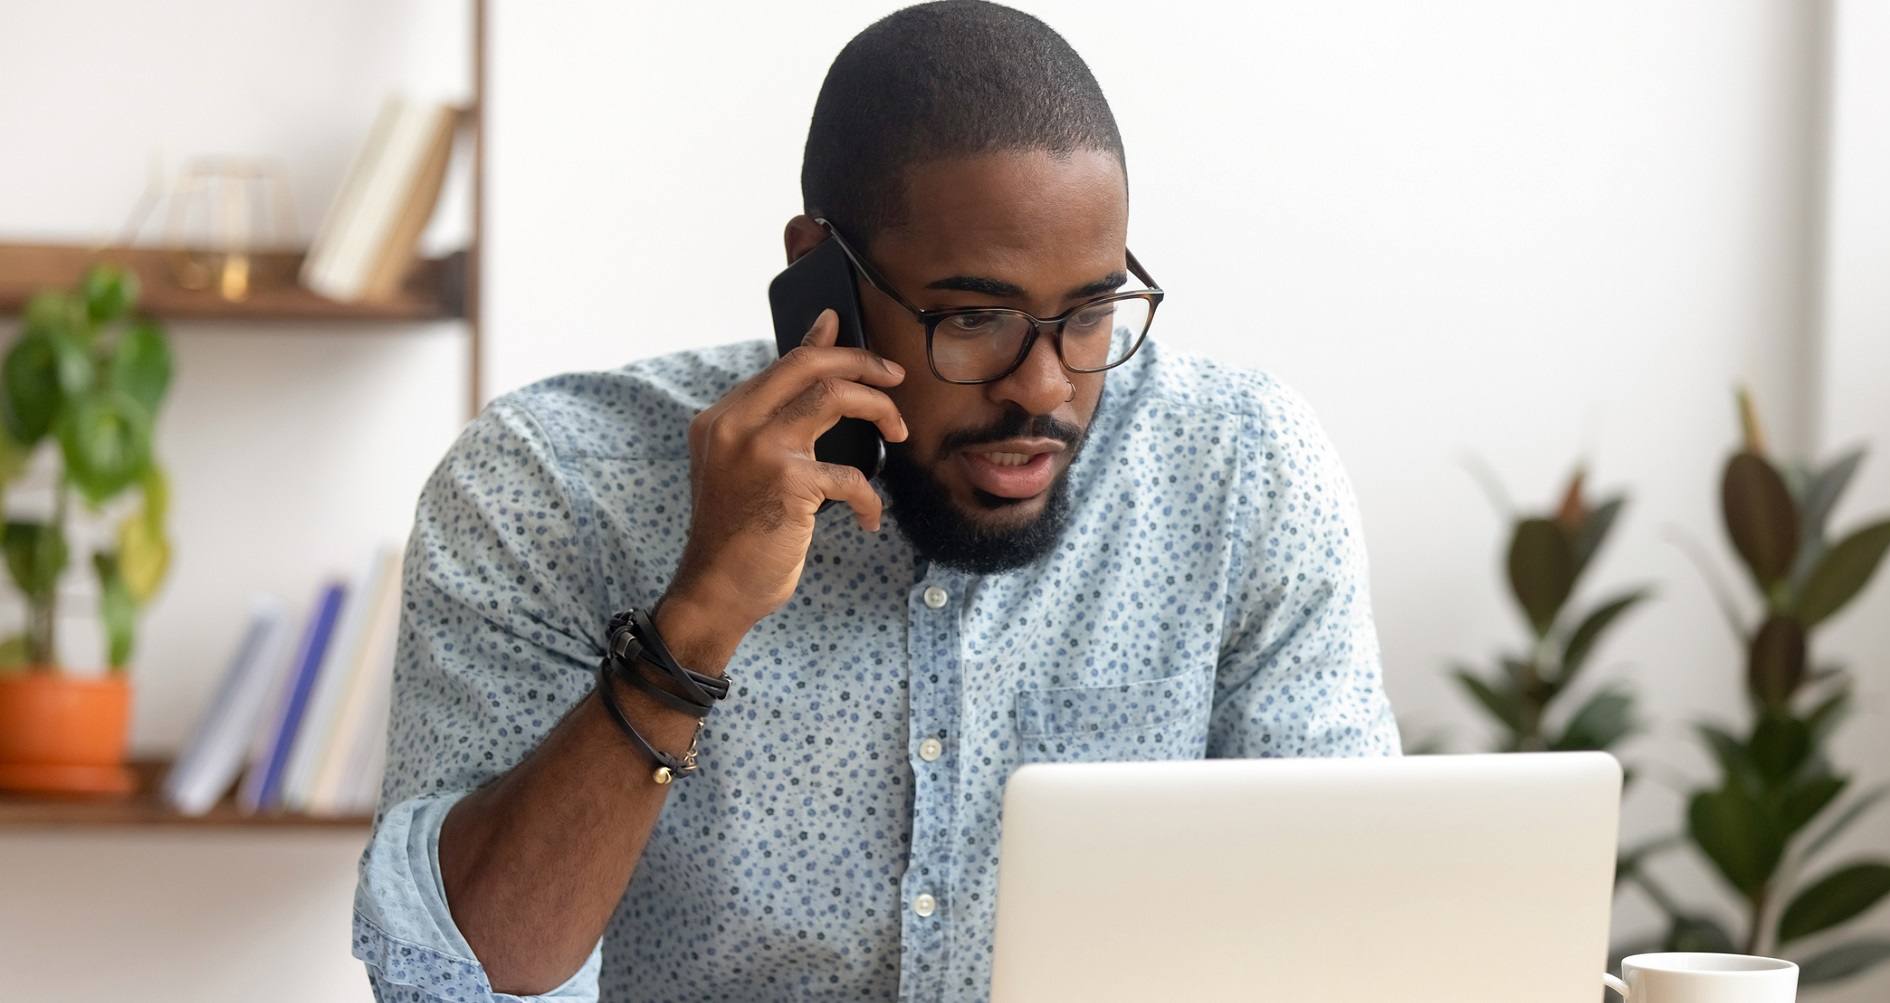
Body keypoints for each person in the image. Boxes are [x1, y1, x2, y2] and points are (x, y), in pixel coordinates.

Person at [351, 2, 1398, 1000]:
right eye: (976, 319)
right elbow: (469, 971)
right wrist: (698, 620)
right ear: (823, 279)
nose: (1044, 388)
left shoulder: (1240, 468)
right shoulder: (550, 485)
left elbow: (1359, 924)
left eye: (1089, 314)